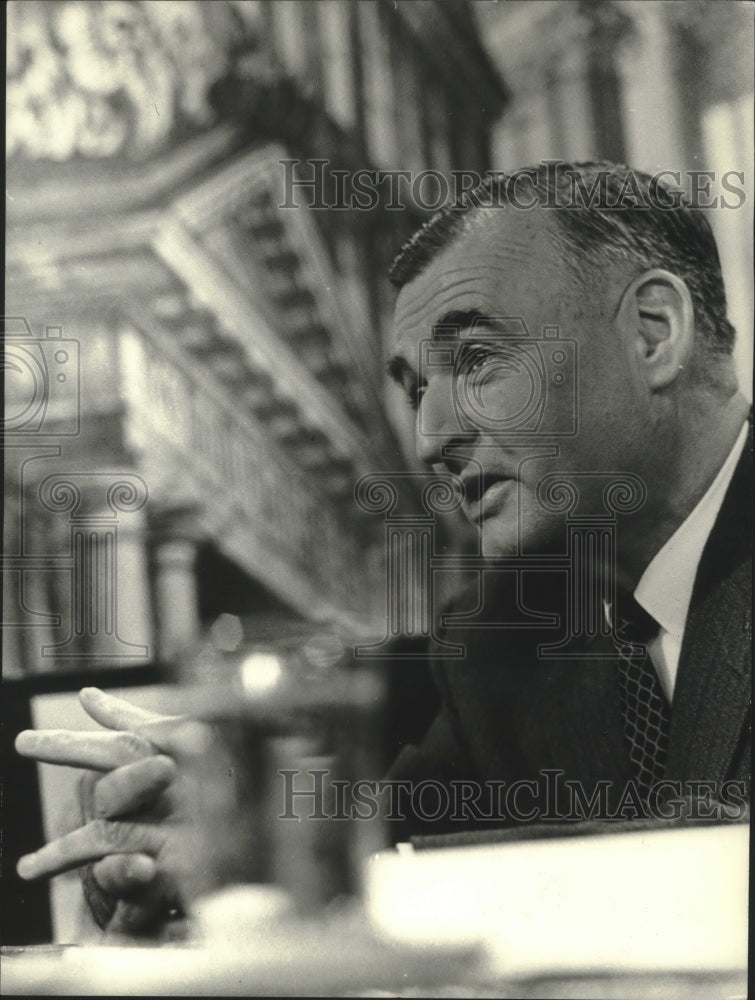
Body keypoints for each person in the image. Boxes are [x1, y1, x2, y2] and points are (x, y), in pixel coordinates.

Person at [15, 162, 752, 935]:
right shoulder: (500, 646)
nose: (432, 438)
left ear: (652, 334)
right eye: (413, 389)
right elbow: (377, 859)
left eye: (474, 359)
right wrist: (206, 843)